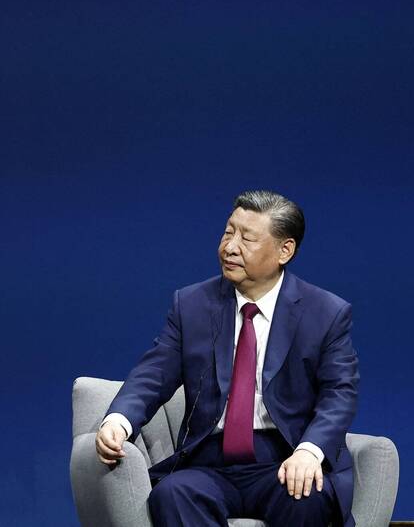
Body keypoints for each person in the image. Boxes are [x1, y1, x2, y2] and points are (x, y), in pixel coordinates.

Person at [95, 190, 359, 526]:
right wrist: (119, 421)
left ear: (285, 250)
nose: (230, 247)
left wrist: (309, 451)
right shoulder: (192, 305)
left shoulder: (325, 313)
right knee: (172, 494)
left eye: (247, 238)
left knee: (306, 495)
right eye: (228, 232)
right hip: (209, 463)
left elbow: (340, 393)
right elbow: (153, 374)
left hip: (284, 458)